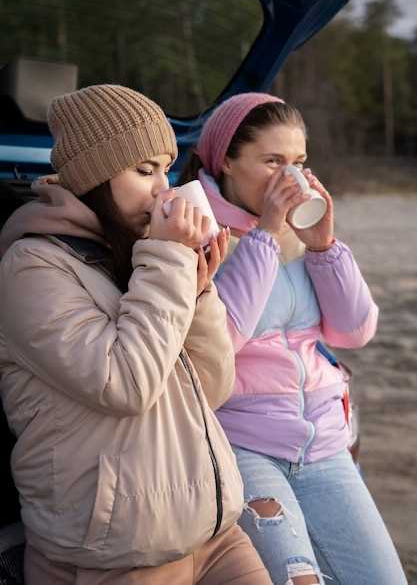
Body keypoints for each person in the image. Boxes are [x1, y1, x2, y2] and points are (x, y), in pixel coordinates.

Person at [0, 85, 274, 585]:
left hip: (213, 535)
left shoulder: (138, 254)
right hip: (116, 555)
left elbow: (211, 391)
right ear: (93, 176)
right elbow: (124, 384)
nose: (162, 190)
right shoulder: (33, 265)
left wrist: (197, 293)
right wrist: (168, 260)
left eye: (167, 170)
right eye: (144, 170)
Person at [178, 92, 408, 585]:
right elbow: (222, 339)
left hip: (322, 443)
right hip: (243, 444)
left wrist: (325, 247)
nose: (290, 176)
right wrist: (264, 233)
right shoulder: (196, 230)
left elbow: (354, 331)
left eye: (299, 162)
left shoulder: (299, 238)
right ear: (228, 163)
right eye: (272, 161)